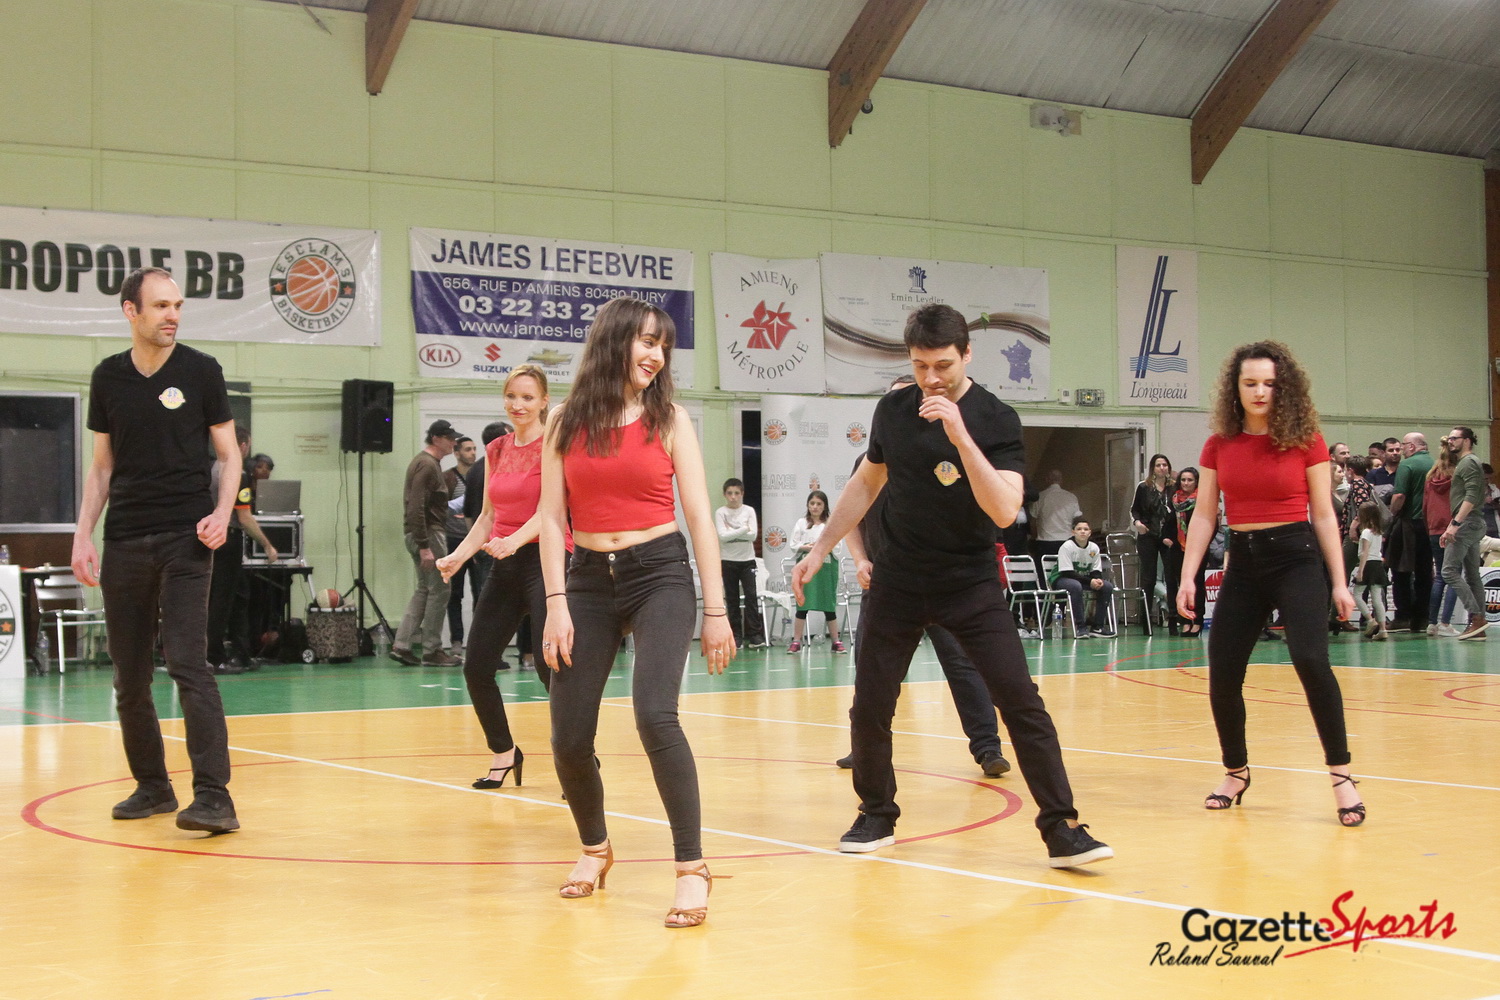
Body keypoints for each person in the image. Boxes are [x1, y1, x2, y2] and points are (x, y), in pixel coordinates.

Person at [792, 302, 1112, 869]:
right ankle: (875, 813)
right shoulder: (893, 411)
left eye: (942, 365)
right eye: (920, 366)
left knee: (1020, 701)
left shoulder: (996, 418)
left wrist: (961, 437)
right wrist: (820, 549)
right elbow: (865, 483)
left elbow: (1005, 508)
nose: (931, 378)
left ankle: (1061, 827)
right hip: (898, 579)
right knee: (871, 704)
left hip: (969, 581)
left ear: (967, 355)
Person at [538, 296, 737, 929]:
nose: (656, 355)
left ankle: (691, 868)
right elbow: (551, 518)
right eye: (646, 341)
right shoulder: (564, 420)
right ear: (614, 340)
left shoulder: (670, 418)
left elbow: (699, 516)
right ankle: (595, 848)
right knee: (569, 737)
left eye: (663, 346)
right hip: (588, 581)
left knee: (655, 714)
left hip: (660, 575)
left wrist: (715, 609)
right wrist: (556, 604)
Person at [71, 266, 242, 833]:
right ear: (131, 311)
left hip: (185, 538)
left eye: (178, 306)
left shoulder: (201, 370)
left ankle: (214, 797)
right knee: (129, 676)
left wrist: (222, 513)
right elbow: (102, 468)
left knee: (188, 664)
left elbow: (229, 455)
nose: (173, 315)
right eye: (162, 306)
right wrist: (82, 535)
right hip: (124, 539)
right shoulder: (108, 377)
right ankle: (152, 787)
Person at [1176, 340, 1364, 828]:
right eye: (1250, 383)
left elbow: (1324, 515)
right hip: (1243, 563)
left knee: (1310, 659)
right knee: (1222, 670)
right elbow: (1204, 515)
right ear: (1235, 388)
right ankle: (1235, 772)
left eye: (1270, 384)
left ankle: (1342, 776)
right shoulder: (1219, 444)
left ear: (1285, 388)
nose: (1260, 392)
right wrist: (1187, 575)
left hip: (1296, 558)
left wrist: (1340, 583)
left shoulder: (1306, 440)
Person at [838, 374, 1012, 779]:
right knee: (873, 673)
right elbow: (851, 519)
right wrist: (861, 560)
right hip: (886, 586)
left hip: (941, 582)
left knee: (963, 667)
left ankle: (987, 747)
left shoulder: (946, 455)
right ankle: (863, 749)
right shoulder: (867, 463)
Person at [437, 367, 557, 790]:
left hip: (547, 561)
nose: (517, 405)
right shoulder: (497, 449)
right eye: (511, 396)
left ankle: (578, 758)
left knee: (549, 666)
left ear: (544, 401)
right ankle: (504, 752)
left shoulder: (555, 443)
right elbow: (488, 516)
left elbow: (551, 511)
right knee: (477, 666)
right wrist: (458, 556)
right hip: (504, 564)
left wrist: (515, 540)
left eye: (527, 397)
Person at [390, 419, 463, 667]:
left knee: (424, 589)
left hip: (420, 534)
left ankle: (402, 645)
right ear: (436, 439)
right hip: (429, 534)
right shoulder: (427, 465)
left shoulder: (426, 463)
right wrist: (424, 545)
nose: (454, 442)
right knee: (440, 590)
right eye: (449, 438)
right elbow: (416, 505)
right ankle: (432, 650)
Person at [206, 425, 278, 673]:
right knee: (221, 601)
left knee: (238, 596)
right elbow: (244, 517)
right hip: (229, 539)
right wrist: (267, 544)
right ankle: (214, 656)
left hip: (211, 539)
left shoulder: (211, 469)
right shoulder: (238, 474)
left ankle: (242, 653)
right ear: (244, 445)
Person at [1437, 426, 1488, 641]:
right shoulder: (1467, 462)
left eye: (1454, 438)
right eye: (1449, 438)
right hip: (1470, 522)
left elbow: (1471, 496)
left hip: (1466, 523)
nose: (1450, 441)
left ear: (1467, 440)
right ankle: (1478, 625)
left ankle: (1476, 617)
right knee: (1472, 574)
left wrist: (1455, 524)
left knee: (1448, 571)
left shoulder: (1468, 463)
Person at [787, 490, 845, 654]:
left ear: (824, 506)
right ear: (807, 505)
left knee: (829, 606)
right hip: (806, 570)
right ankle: (796, 641)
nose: (815, 507)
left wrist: (821, 548)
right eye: (812, 503)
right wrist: (807, 547)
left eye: (819, 504)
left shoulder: (831, 524)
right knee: (802, 605)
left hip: (826, 569)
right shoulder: (801, 523)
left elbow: (837, 546)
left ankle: (836, 641)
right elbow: (793, 544)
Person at [1387, 432, 1433, 633]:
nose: (1402, 450)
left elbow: (1399, 495)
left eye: (1404, 445)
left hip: (1408, 524)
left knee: (1400, 571)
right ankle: (1422, 618)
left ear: (1412, 447)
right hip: (1429, 525)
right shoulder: (1435, 464)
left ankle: (1403, 616)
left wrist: (1390, 515)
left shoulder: (1407, 465)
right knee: (1425, 573)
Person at [715, 478, 767, 649]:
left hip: (747, 561)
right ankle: (735, 636)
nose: (733, 497)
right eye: (730, 493)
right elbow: (722, 536)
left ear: (742, 494)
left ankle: (755, 636)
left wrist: (733, 532)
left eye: (737, 493)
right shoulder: (721, 512)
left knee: (751, 597)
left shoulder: (749, 511)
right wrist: (744, 529)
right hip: (728, 561)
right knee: (732, 600)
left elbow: (753, 536)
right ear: (724, 494)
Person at [443, 435, 479, 657]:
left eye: (474, 449)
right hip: (454, 541)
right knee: (454, 593)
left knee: (480, 591)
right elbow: (440, 507)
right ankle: (456, 640)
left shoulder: (479, 474)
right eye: (467, 449)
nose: (472, 453)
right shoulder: (448, 478)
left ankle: (477, 641)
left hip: (476, 541)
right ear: (456, 453)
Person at [1131, 453, 1177, 633]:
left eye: (1165, 465)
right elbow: (1134, 510)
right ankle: (1146, 622)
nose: (1162, 468)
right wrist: (1137, 523)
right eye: (1158, 465)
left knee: (1171, 577)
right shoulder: (1144, 487)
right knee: (1149, 578)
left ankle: (1173, 620)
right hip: (1148, 534)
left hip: (1168, 537)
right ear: (1153, 468)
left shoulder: (1173, 487)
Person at [1053, 517, 1115, 638]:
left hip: (1083, 579)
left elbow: (1095, 570)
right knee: (1076, 586)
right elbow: (1067, 572)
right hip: (1062, 578)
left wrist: (1097, 580)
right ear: (1073, 532)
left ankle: (1098, 627)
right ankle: (1081, 627)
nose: (1082, 531)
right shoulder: (1067, 546)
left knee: (1107, 586)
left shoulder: (1094, 548)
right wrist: (1090, 581)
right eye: (1079, 529)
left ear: (1090, 532)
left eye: (1085, 529)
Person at [1423, 447, 1461, 636]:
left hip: (1433, 529)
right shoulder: (1457, 478)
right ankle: (1445, 623)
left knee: (1440, 576)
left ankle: (1431, 623)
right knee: (1454, 575)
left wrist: (1429, 528)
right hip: (1452, 529)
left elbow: (1425, 506)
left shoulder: (1430, 478)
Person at [1172, 468, 1205, 636]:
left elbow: (1209, 524)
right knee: (1181, 583)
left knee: (1197, 582)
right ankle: (1184, 620)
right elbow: (1169, 522)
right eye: (1183, 480)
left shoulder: (1202, 499)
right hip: (1179, 547)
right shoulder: (1174, 499)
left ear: (1196, 482)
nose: (1186, 483)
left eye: (1190, 480)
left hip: (1198, 548)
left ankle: (1197, 620)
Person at [1352, 503, 1390, 641]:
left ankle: (1370, 619)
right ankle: (1383, 629)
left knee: (1357, 594)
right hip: (1378, 564)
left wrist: (1360, 571)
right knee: (1377, 598)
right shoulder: (1378, 532)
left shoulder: (1366, 532)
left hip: (1368, 564)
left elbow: (1365, 553)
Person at [1031, 469, 1082, 559]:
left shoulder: (1040, 497)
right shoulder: (1071, 497)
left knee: (1044, 567)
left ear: (1047, 480)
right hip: (1067, 541)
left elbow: (1033, 522)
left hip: (1045, 542)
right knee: (1067, 567)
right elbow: (1078, 520)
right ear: (1061, 480)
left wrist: (1034, 538)